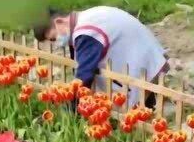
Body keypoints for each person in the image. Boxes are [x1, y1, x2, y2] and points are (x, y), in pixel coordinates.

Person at [33, 6, 169, 108]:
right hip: (144, 54)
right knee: (138, 107)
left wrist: (72, 108)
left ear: (59, 22)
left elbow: (84, 75)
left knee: (132, 113)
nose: (56, 43)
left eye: (53, 38)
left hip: (141, 60)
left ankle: (138, 141)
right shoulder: (85, 19)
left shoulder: (85, 32)